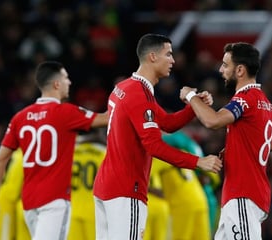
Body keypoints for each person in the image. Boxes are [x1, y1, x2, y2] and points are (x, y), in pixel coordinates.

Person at [93, 33, 223, 240]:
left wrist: (193, 107)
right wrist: (198, 161)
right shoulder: (140, 95)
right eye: (168, 54)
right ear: (152, 57)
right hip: (126, 190)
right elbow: (154, 145)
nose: (173, 60)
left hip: (106, 186)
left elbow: (167, 124)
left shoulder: (124, 87)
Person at [0, 61, 109, 240]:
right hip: (54, 201)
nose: (69, 82)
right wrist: (123, 98)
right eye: (66, 78)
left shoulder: (20, 117)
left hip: (29, 202)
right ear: (56, 84)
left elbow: (0, 160)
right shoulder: (66, 113)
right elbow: (106, 118)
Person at [180, 42, 272, 239]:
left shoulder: (245, 99)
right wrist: (241, 148)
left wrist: (190, 96)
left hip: (243, 195)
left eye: (225, 65)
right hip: (245, 195)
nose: (221, 70)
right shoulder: (265, 103)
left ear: (240, 70)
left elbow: (212, 121)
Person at [152, 130, 215, 240]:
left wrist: (154, 191)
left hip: (181, 206)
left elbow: (146, 178)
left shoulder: (160, 157)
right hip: (200, 201)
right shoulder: (185, 153)